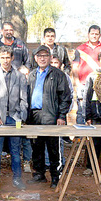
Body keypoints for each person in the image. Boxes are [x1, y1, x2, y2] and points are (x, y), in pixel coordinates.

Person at [27, 45, 72, 189]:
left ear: (50, 57)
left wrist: (61, 116)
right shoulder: (32, 74)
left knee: (54, 149)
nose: (42, 58)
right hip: (34, 117)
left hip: (51, 117)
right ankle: (39, 175)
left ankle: (55, 177)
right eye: (39, 56)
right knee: (37, 148)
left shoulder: (58, 74)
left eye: (45, 56)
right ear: (35, 58)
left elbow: (65, 97)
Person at [0, 46, 28, 190]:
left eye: (8, 57)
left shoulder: (20, 76)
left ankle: (17, 178)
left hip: (15, 118)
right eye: (2, 57)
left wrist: (22, 117)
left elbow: (24, 99)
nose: (5, 60)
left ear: (12, 58)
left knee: (16, 151)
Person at [71, 25, 101, 124]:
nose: (94, 36)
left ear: (100, 35)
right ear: (88, 35)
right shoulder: (80, 49)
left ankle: (97, 138)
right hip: (83, 85)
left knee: (97, 111)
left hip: (100, 85)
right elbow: (75, 67)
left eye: (96, 34)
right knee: (81, 111)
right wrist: (77, 83)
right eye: (92, 34)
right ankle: (80, 137)